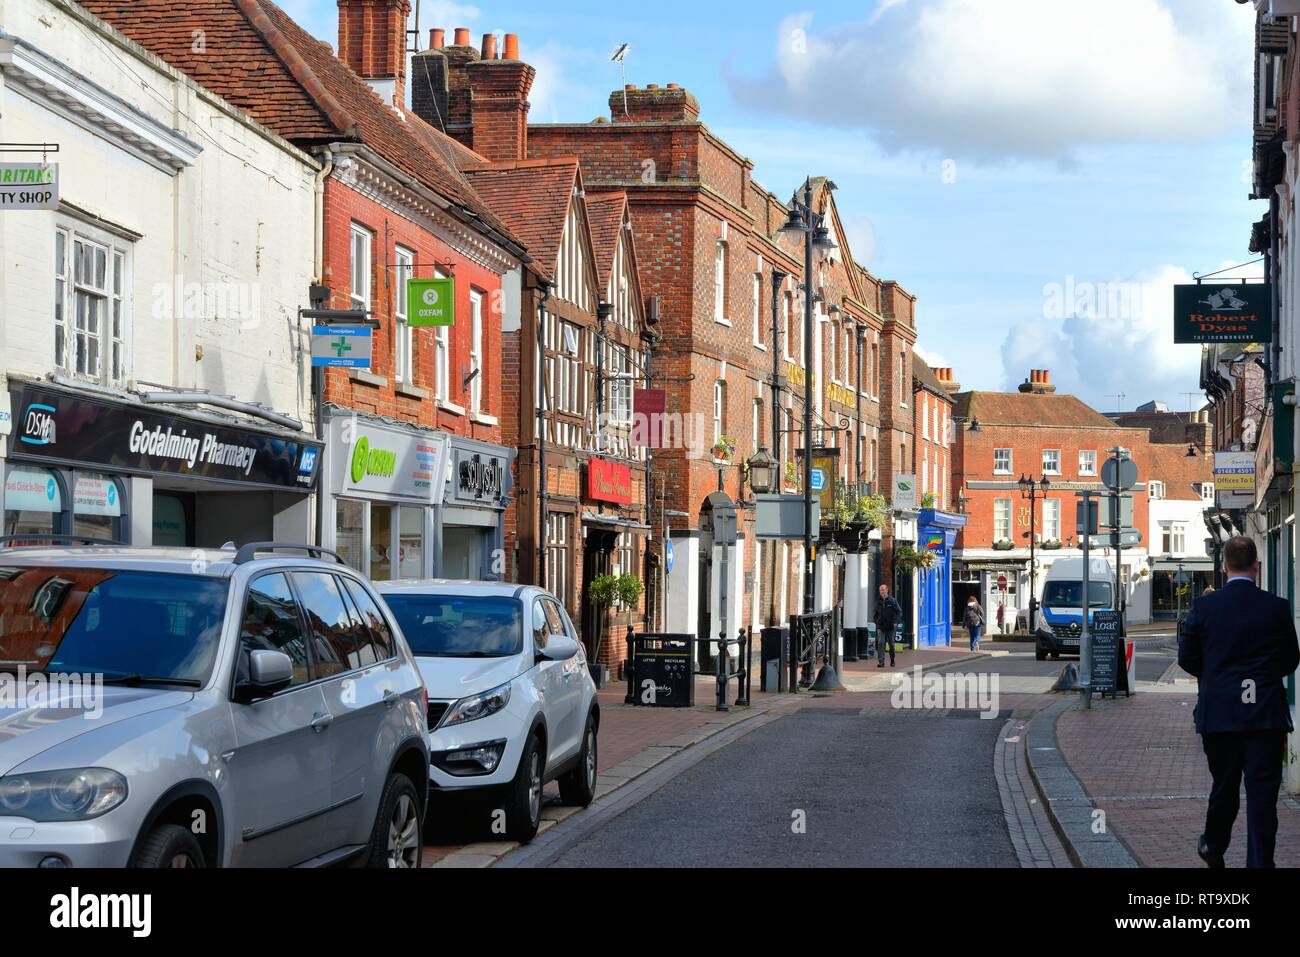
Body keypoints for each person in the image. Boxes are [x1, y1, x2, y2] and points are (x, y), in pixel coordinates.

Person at [1178, 536, 1300, 868]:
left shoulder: (1204, 608)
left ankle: (1213, 845)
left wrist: (1215, 678)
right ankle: (1260, 863)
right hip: (1264, 717)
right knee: (1263, 797)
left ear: (1224, 566)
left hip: (1219, 715)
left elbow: (1187, 657)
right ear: (1257, 567)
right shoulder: (1276, 607)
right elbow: (1291, 657)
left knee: (1224, 786)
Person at [874, 583, 902, 668]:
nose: (881, 591)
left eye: (883, 590)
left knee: (891, 644)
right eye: (880, 590)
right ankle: (881, 662)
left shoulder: (892, 601)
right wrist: (877, 621)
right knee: (880, 643)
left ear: (887, 590)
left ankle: (892, 660)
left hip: (891, 626)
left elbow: (899, 612)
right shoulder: (878, 601)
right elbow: (875, 613)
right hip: (880, 626)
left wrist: (895, 622)